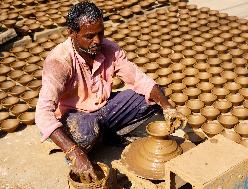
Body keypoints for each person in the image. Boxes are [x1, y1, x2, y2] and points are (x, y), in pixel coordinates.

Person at [35, 2, 187, 183]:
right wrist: (74, 152)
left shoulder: (109, 49)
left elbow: (140, 80)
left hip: (105, 108)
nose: (97, 41)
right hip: (75, 116)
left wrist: (168, 107)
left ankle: (104, 135)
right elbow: (43, 113)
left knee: (154, 97)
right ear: (71, 33)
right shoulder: (59, 61)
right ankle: (87, 146)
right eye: (89, 36)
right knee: (86, 132)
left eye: (100, 33)